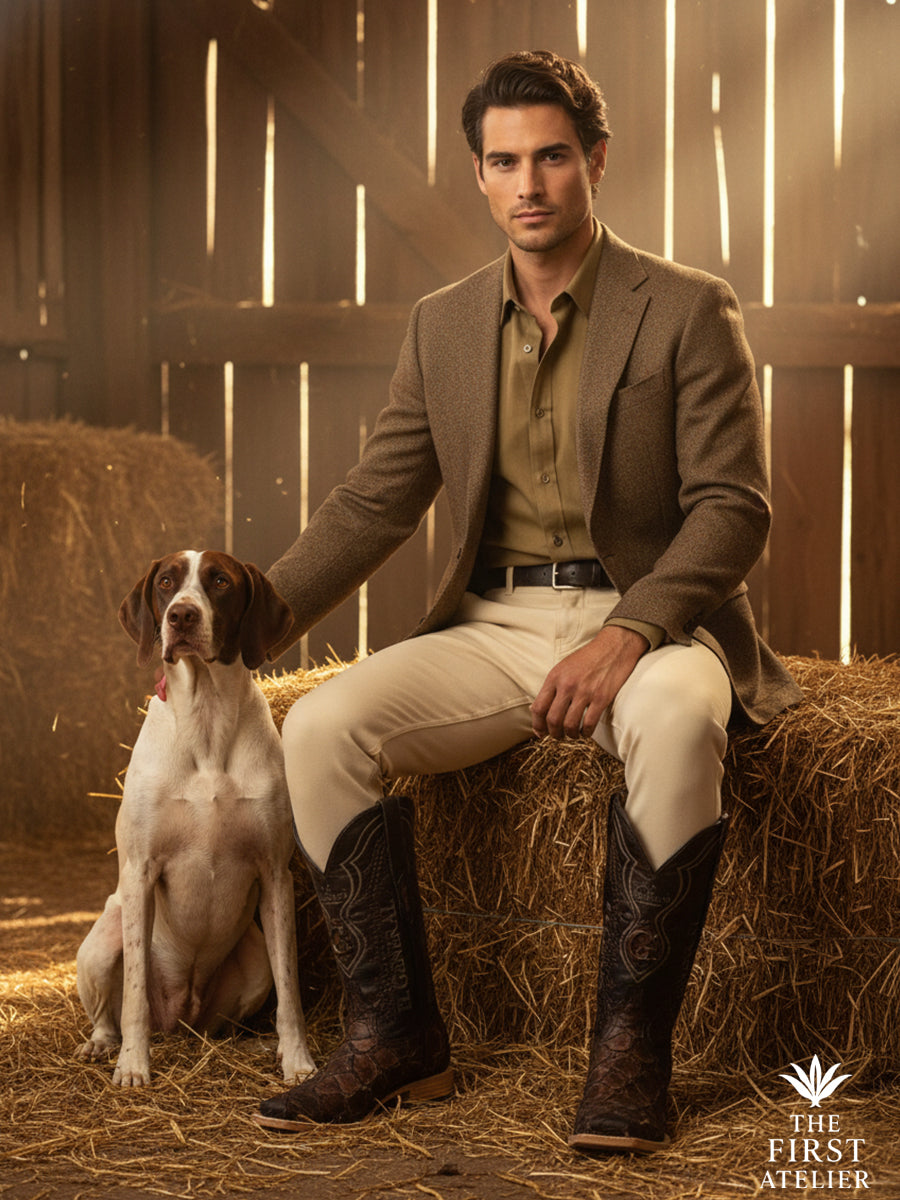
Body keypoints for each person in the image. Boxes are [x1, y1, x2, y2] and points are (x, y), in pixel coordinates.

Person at [251, 50, 802, 1153]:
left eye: (551, 157)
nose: (529, 184)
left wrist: (633, 630)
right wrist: (250, 622)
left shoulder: (687, 307)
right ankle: (397, 1038)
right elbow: (375, 500)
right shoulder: (442, 324)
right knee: (316, 728)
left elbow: (732, 506)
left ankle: (629, 1059)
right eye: (504, 162)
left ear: (595, 159)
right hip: (492, 628)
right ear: (480, 175)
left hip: (655, 622)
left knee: (679, 719)